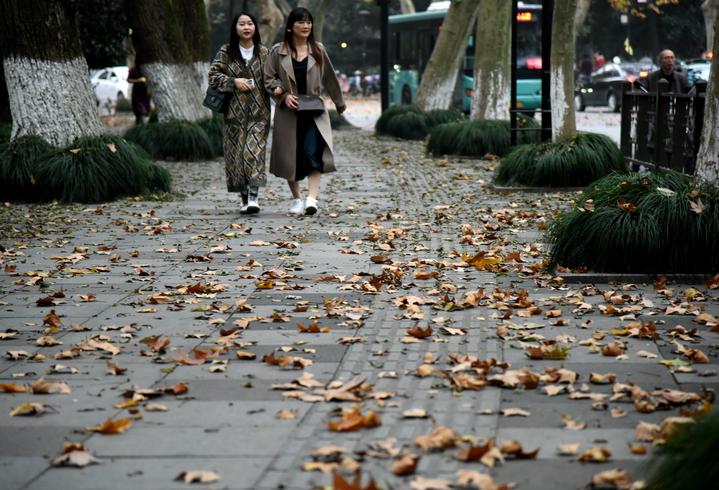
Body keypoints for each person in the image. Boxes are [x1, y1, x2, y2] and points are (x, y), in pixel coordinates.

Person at [264, 7, 346, 216]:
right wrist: (282, 95)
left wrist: (339, 102)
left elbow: (329, 77)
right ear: (291, 26)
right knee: (291, 156)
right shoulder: (277, 51)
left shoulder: (318, 49)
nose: (306, 25)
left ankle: (311, 199)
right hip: (288, 113)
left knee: (313, 153)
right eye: (301, 22)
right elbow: (268, 78)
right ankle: (297, 199)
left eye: (309, 22)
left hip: (314, 111)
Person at [208, 12, 271, 214]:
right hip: (233, 115)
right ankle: (244, 198)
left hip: (259, 113)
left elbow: (273, 77)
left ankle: (253, 196)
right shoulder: (226, 51)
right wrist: (233, 82)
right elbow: (213, 76)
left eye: (250, 23)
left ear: (255, 27)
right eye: (242, 24)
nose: (246, 27)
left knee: (252, 153)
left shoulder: (264, 52)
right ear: (235, 28)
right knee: (236, 156)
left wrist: (279, 89)